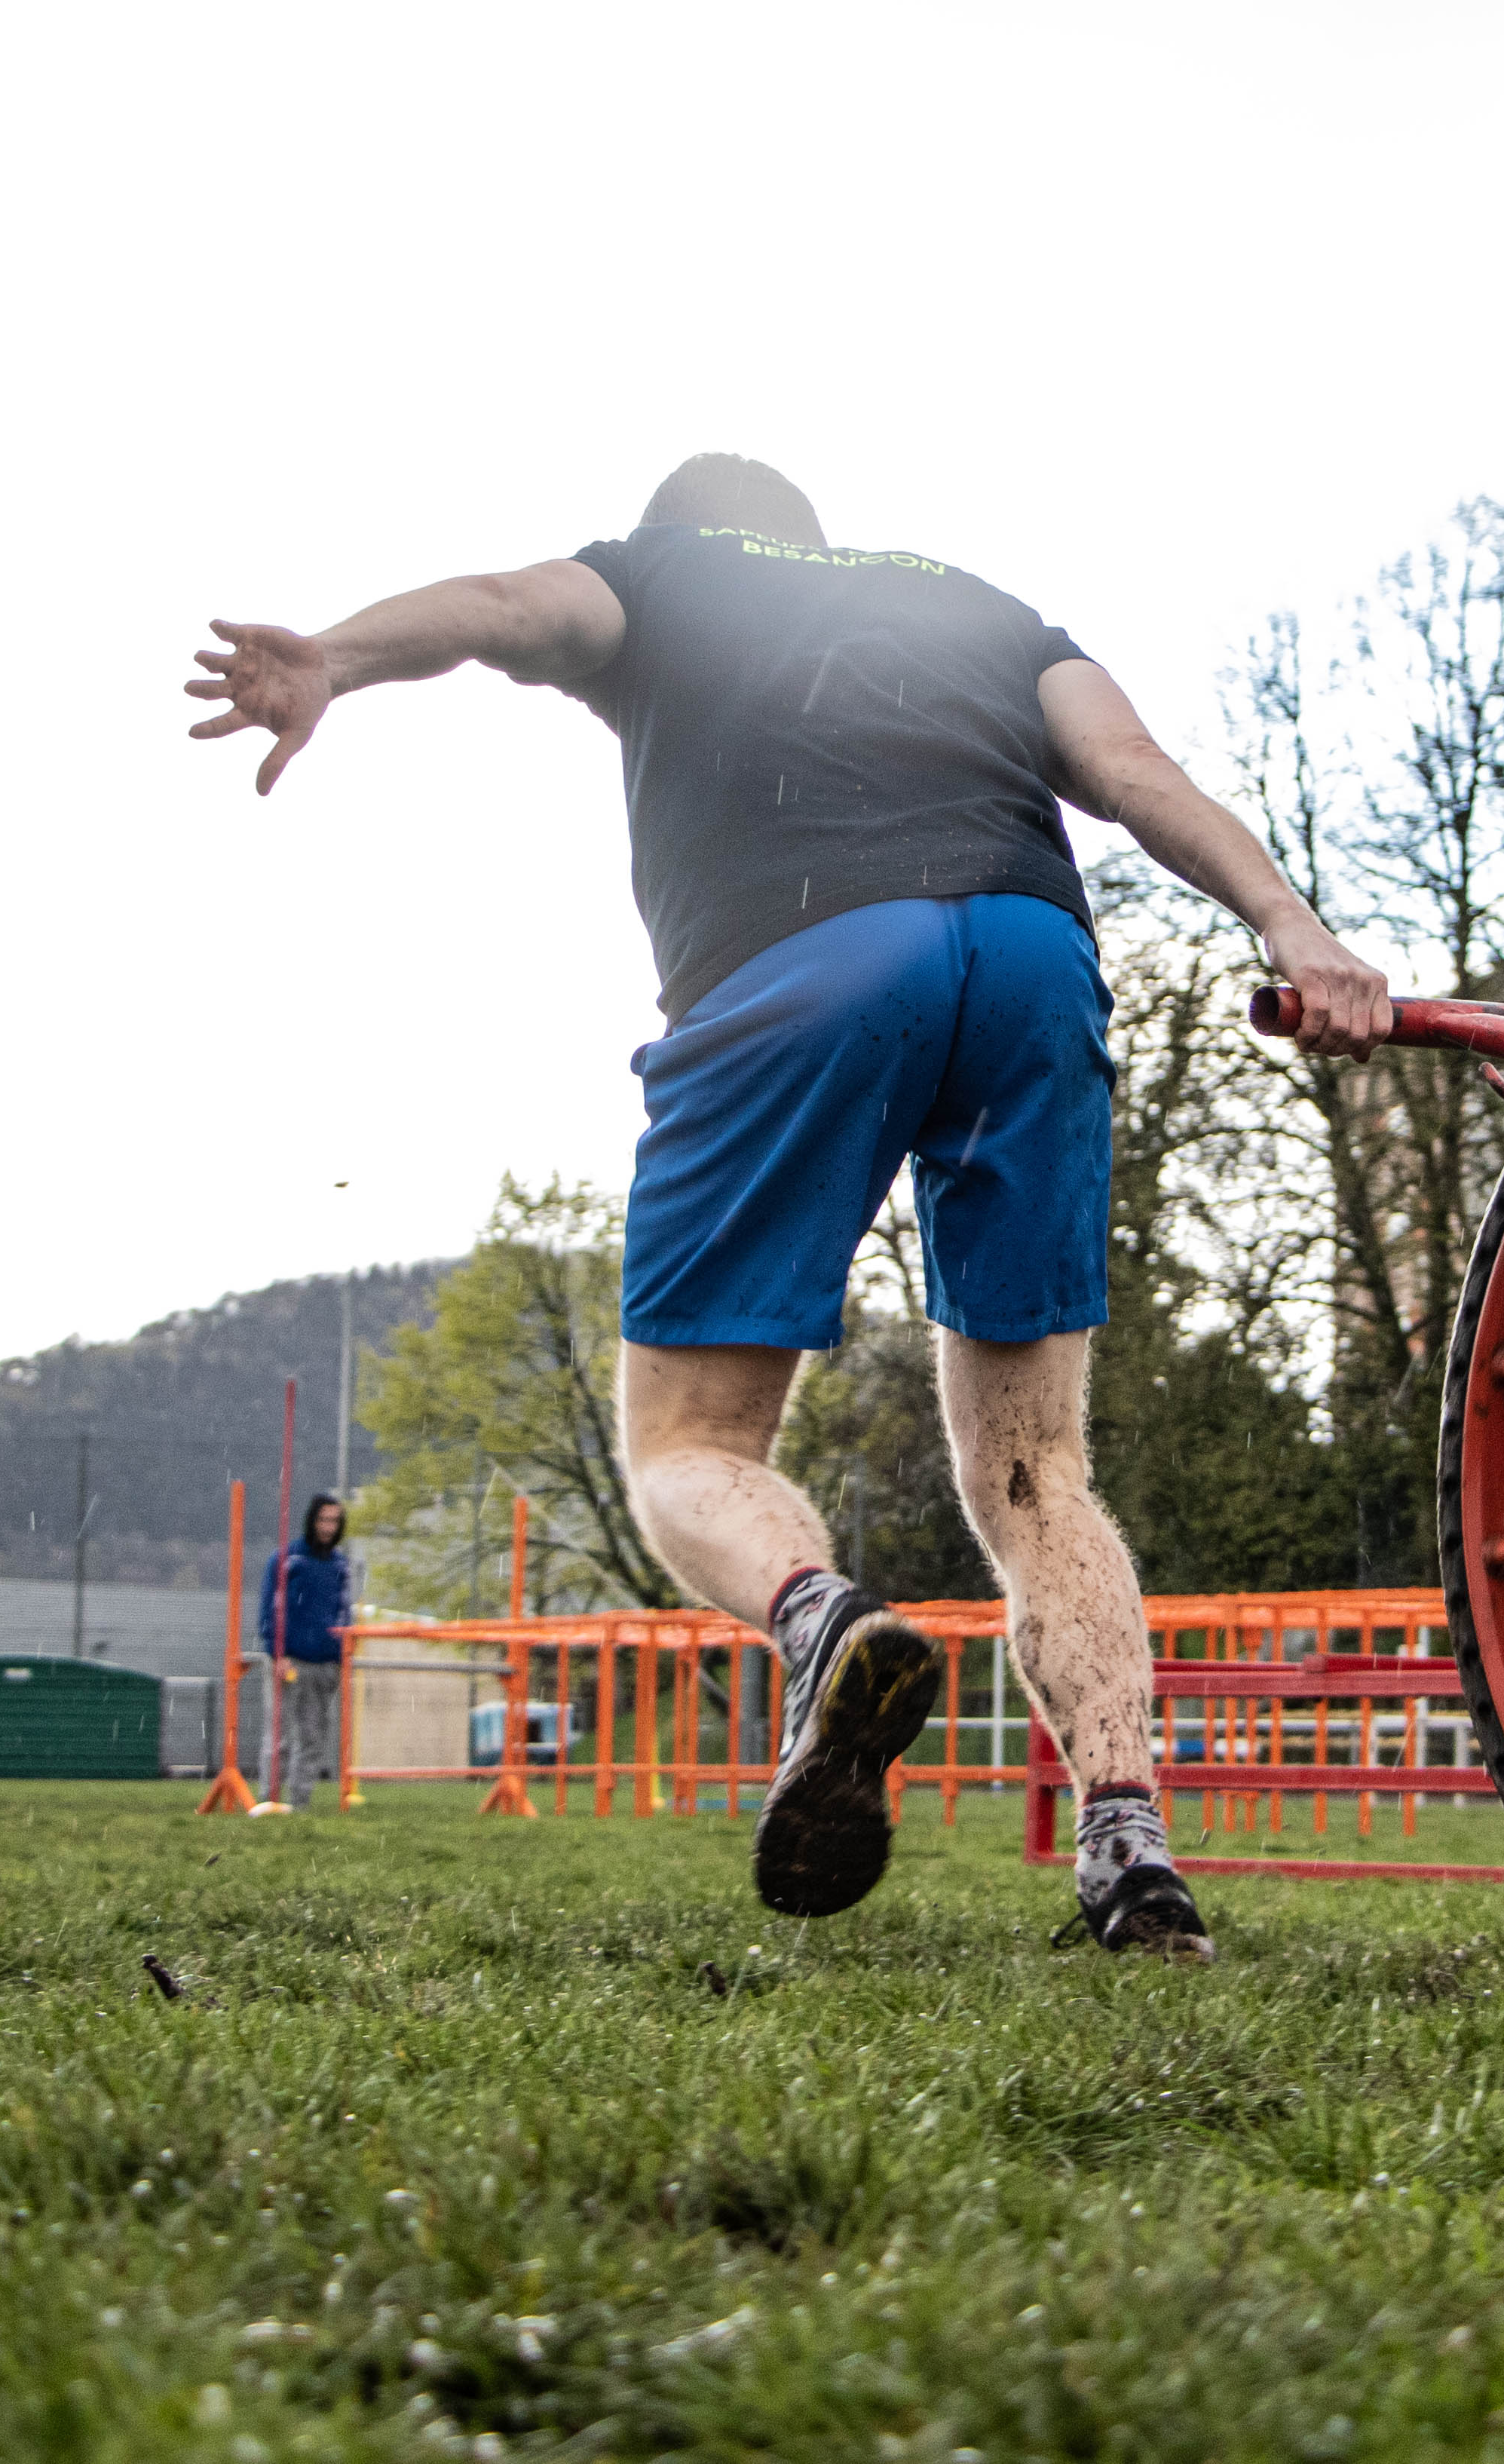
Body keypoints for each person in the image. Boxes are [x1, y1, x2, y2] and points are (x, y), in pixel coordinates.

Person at [185, 453, 1391, 1955]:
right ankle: (1129, 1851)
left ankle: (822, 1628)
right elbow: (1138, 775)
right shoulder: (973, 608)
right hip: (1027, 961)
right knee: (1036, 1473)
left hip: (803, 963)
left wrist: (334, 658)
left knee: (688, 1441)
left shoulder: (663, 573)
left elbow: (503, 609)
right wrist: (1293, 922)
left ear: (687, 527)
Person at [260, 1493, 354, 1807]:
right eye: (323, 1520)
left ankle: (300, 1804)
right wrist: (277, 1653)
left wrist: (341, 1654)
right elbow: (270, 1611)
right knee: (281, 1738)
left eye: (334, 1521)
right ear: (311, 1521)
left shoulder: (341, 1565)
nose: (328, 1527)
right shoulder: (288, 1559)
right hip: (290, 1660)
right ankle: (270, 1801)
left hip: (326, 1664)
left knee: (313, 1739)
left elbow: (345, 1612)